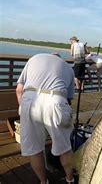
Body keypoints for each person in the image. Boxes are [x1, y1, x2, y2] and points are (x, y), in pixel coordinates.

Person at [15, 53, 75, 184]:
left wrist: (23, 109)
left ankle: (43, 181)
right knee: (65, 147)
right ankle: (70, 179)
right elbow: (69, 98)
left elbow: (19, 90)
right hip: (56, 100)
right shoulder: (68, 68)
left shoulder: (34, 58)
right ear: (60, 59)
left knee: (34, 149)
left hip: (30, 100)